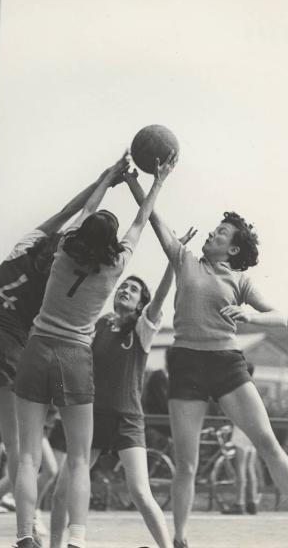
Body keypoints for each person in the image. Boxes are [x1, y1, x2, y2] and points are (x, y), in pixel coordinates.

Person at [125, 171, 288, 548]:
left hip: (226, 363)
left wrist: (251, 315)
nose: (213, 234)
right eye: (215, 229)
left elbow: (280, 317)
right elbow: (153, 218)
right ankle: (181, 540)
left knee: (266, 442)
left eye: (221, 233)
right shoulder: (185, 260)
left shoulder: (240, 280)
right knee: (186, 462)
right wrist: (141, 183)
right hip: (185, 364)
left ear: (232, 249)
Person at [0, 165, 125, 548]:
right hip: (13, 345)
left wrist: (103, 182)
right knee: (19, 448)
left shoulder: (32, 244)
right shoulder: (64, 269)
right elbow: (82, 224)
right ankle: (30, 526)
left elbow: (70, 211)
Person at [13, 153, 177, 548]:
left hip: (38, 348)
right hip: (74, 357)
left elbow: (88, 208)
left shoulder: (64, 250)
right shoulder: (114, 266)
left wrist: (109, 178)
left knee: (28, 457)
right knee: (77, 460)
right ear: (111, 243)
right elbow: (140, 222)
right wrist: (157, 182)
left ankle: (23, 535)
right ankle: (77, 539)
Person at [49, 227, 195, 548]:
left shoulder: (142, 329)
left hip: (127, 420)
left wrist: (174, 259)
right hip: (93, 419)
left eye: (133, 289)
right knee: (61, 491)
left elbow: (160, 298)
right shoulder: (100, 324)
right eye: (123, 286)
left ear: (141, 303)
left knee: (140, 492)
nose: (126, 290)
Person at [222, 362, 260, 516]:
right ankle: (252, 502)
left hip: (242, 429)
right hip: (253, 430)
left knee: (241, 469)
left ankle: (239, 503)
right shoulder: (253, 387)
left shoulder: (241, 387)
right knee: (250, 469)